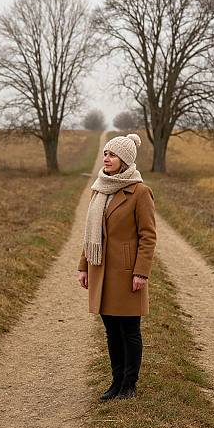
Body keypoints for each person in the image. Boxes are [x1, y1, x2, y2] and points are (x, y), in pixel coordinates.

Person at [77, 133, 156, 401]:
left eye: (112, 154)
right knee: (111, 330)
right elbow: (91, 233)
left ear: (125, 160)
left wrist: (141, 272)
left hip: (126, 273)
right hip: (101, 271)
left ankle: (129, 385)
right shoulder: (99, 188)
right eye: (106, 153)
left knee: (129, 330)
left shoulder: (140, 192)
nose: (106, 158)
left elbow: (148, 235)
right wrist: (84, 266)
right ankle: (116, 382)